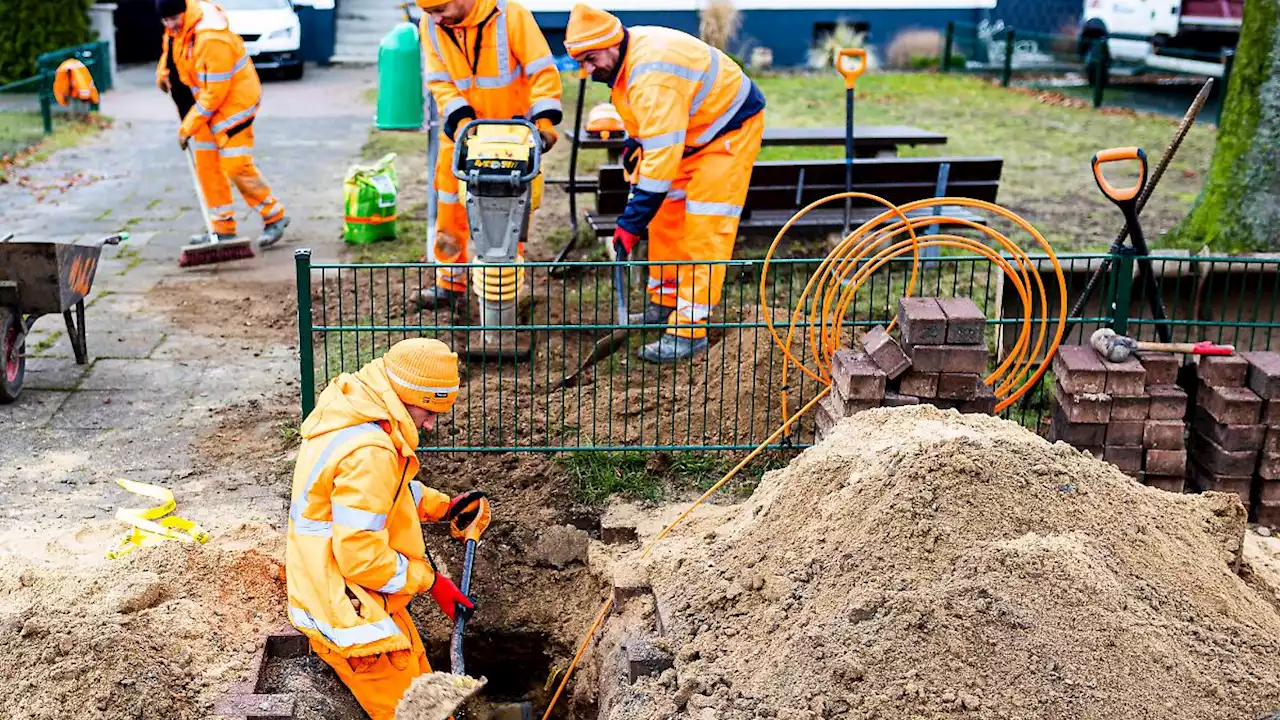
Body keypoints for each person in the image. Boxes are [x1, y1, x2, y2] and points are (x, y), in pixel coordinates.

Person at [285, 338, 482, 719]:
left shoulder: (358, 412)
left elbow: (382, 495)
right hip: (349, 613)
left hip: (339, 586)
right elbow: (362, 557)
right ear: (406, 394)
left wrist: (444, 506)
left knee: (431, 696)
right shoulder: (370, 452)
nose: (431, 422)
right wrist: (431, 581)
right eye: (428, 409)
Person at [564, 4, 766, 363]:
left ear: (612, 44)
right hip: (688, 135)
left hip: (726, 133)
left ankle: (689, 330)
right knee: (666, 218)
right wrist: (633, 142)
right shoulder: (626, 63)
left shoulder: (650, 73)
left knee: (705, 227)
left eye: (592, 59)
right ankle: (666, 302)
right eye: (583, 62)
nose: (589, 69)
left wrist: (629, 223)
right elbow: (651, 128)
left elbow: (660, 161)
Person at [415, 0, 563, 309]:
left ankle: (504, 287)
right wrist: (465, 126)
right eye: (430, 13)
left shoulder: (510, 16)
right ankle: (450, 282)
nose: (436, 19)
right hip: (461, 133)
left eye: (440, 10)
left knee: (509, 213)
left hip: (513, 136)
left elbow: (541, 71)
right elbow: (440, 82)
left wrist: (544, 122)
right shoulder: (430, 24)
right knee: (449, 205)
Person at [155, 0, 289, 248]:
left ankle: (275, 216)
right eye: (166, 20)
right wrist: (162, 74)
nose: (170, 24)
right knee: (207, 167)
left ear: (184, 11)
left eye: (174, 18)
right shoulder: (177, 28)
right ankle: (222, 228)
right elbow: (171, 53)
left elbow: (216, 92)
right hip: (204, 107)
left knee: (236, 165)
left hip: (233, 106)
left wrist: (188, 126)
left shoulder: (210, 37)